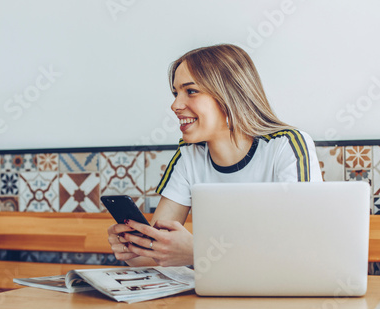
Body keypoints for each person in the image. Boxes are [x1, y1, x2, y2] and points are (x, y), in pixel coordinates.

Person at [107, 44, 322, 268]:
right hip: (215, 294)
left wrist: (198, 252)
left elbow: (301, 251)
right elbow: (152, 258)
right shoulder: (190, 156)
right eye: (175, 93)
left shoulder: (287, 145)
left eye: (190, 91)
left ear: (230, 95)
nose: (175, 105)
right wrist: (133, 246)